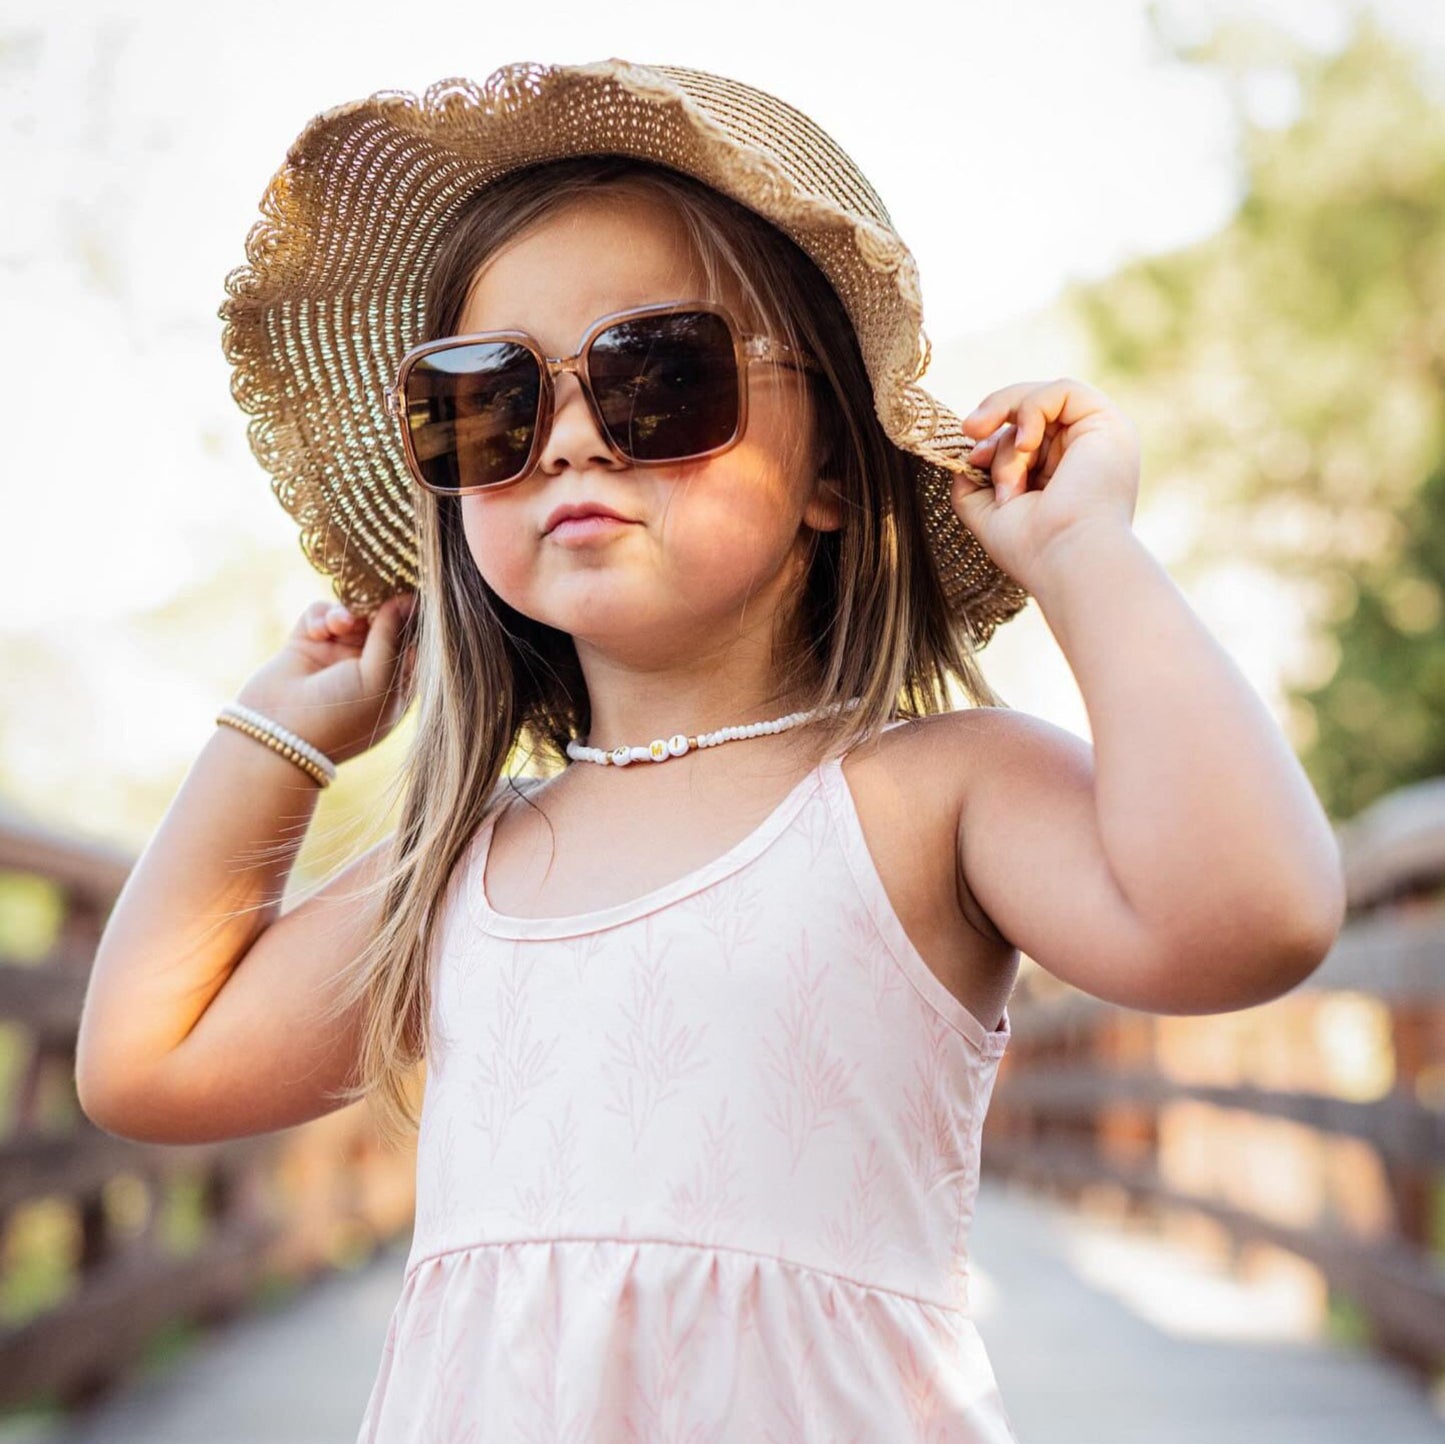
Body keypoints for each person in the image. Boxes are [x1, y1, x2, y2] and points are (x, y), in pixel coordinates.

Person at [75, 59, 1347, 1442]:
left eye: (656, 376)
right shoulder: (466, 863)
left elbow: (1252, 916)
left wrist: (1082, 552)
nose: (564, 435)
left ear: (830, 475)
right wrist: (274, 741)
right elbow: (151, 1063)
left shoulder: (931, 795)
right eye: (485, 401)